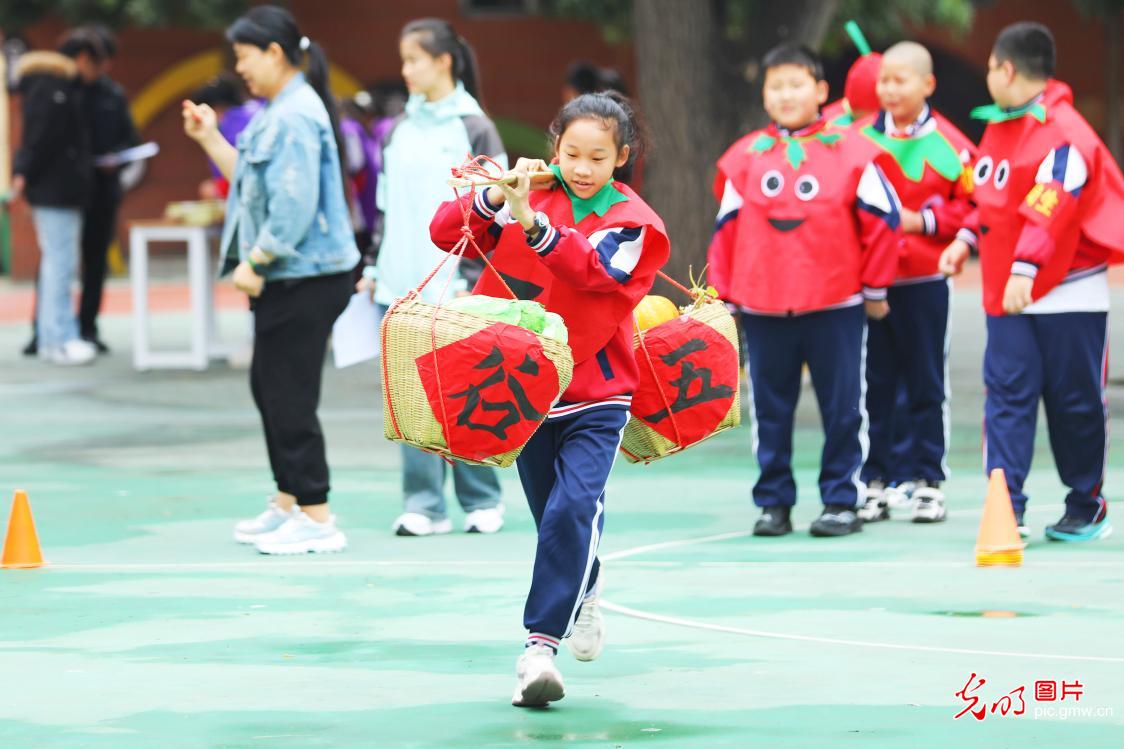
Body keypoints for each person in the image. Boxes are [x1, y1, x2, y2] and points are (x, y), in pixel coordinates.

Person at [430, 91, 670, 708]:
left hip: (600, 389)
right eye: (571, 153)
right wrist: (492, 197)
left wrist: (533, 224)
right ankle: (585, 587)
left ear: (622, 157)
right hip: (526, 383)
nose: (582, 167)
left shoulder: (635, 222)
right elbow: (443, 232)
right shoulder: (524, 189)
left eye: (597, 156)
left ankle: (539, 648)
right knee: (551, 517)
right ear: (554, 148)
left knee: (572, 509)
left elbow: (596, 272)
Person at [182, 6, 360, 554]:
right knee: (271, 387)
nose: (240, 69)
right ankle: (289, 501)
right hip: (295, 274)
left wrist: (255, 261)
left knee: (288, 394)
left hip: (304, 275)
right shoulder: (278, 109)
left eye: (244, 57)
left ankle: (318, 516)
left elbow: (293, 207)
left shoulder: (293, 115)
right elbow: (255, 185)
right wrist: (211, 140)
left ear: (274, 53)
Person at [707, 43, 902, 538]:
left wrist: (875, 288)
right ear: (765, 94)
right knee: (769, 410)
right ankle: (774, 502)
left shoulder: (852, 151)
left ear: (820, 91)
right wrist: (724, 296)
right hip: (764, 305)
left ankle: (842, 500)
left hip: (835, 303)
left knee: (842, 408)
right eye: (777, 86)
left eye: (797, 85)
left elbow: (885, 220)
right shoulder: (745, 158)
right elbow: (725, 229)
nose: (787, 94)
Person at [939, 22, 1124, 542]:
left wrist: (1026, 268)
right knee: (1007, 399)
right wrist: (965, 242)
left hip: (1066, 293)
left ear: (1006, 68)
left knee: (1076, 403)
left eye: (991, 69)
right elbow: (987, 202)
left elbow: (1052, 206)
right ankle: (1008, 505)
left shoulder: (1066, 134)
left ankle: (1086, 504)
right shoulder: (998, 129)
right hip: (1009, 295)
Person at [356, 19, 506, 538]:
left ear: (444, 61)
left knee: (467, 392)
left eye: (414, 59)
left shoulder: (475, 127)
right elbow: (383, 208)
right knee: (411, 396)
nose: (406, 70)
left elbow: (497, 213)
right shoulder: (396, 129)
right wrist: (374, 267)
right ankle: (423, 504)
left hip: (456, 288)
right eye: (404, 60)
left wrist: (469, 275)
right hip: (399, 286)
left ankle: (482, 497)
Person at [854, 41, 977, 524]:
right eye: (884, 79)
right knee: (874, 385)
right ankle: (875, 481)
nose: (889, 89)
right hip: (871, 284)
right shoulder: (859, 141)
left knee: (926, 382)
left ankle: (929, 480)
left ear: (928, 85)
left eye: (900, 80)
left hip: (925, 280)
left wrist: (921, 222)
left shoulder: (953, 143)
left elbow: (973, 206)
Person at [11, 35, 97, 365]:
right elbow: (38, 139)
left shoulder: (40, 89)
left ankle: (52, 338)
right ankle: (60, 337)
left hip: (54, 191)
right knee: (60, 265)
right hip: (56, 192)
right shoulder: (53, 91)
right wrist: (24, 173)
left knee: (55, 264)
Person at [76, 25, 140, 354]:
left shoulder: (113, 94)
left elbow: (131, 138)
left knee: (96, 261)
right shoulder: (66, 91)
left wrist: (119, 158)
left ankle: (87, 326)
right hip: (71, 190)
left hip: (104, 188)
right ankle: (43, 328)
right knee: (57, 260)